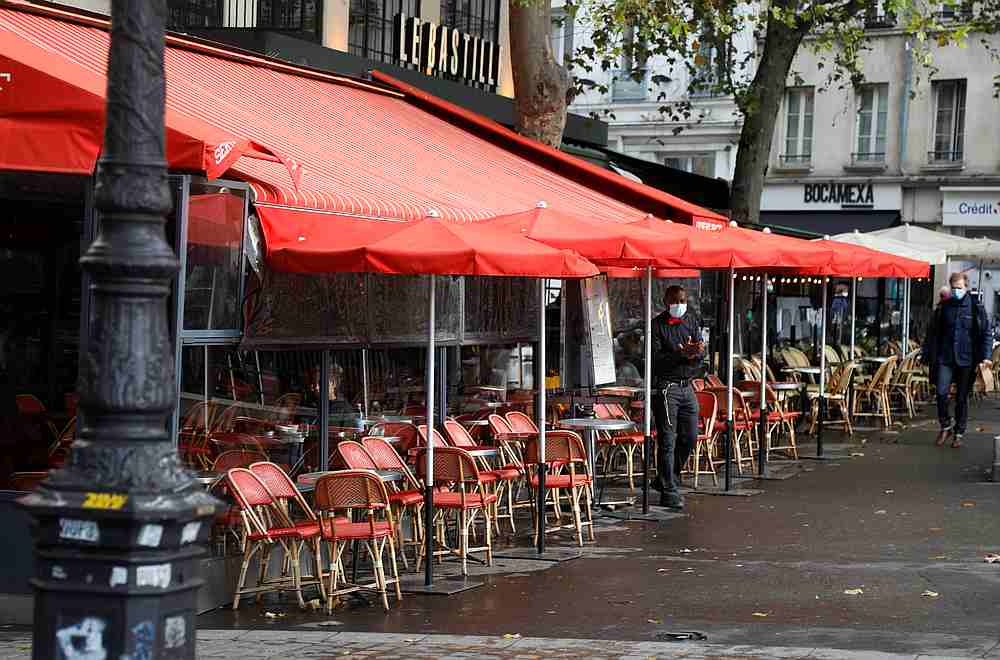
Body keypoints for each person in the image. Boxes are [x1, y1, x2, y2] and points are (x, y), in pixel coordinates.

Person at [922, 272, 992, 448]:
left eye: (959, 288)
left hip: (967, 359)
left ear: (966, 287)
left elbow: (985, 333)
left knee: (961, 398)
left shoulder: (976, 307)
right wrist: (927, 354)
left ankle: (959, 432)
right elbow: (933, 332)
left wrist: (986, 356)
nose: (956, 291)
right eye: (953, 288)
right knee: (941, 392)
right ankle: (945, 425)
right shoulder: (944, 307)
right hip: (945, 357)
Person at [650, 285, 704, 510]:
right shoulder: (656, 326)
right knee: (668, 438)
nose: (680, 305)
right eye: (676, 301)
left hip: (687, 385)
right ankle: (669, 491)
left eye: (683, 300)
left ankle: (666, 477)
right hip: (667, 387)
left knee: (690, 436)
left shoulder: (691, 320)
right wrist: (679, 354)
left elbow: (702, 351)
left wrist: (697, 352)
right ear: (666, 302)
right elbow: (655, 361)